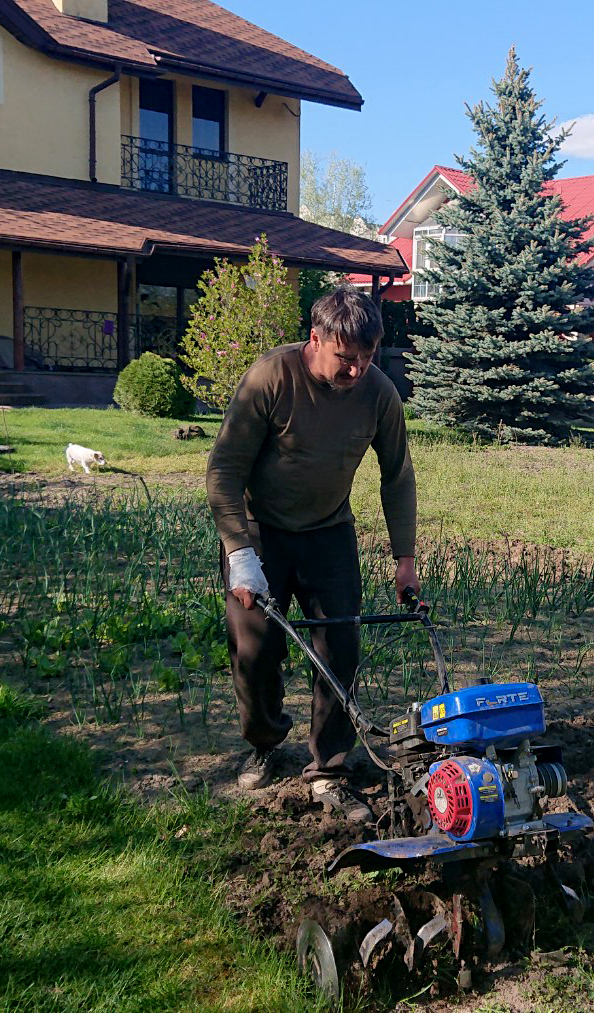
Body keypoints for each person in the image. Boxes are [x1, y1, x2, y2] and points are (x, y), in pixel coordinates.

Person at [205, 288, 417, 823]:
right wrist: (240, 553)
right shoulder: (270, 378)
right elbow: (224, 470)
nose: (357, 371)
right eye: (346, 359)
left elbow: (397, 475)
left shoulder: (378, 393)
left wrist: (405, 557)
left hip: (328, 533)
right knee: (254, 652)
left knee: (340, 649)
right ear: (316, 339)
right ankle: (267, 742)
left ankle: (329, 766)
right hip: (259, 533)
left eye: (366, 359)